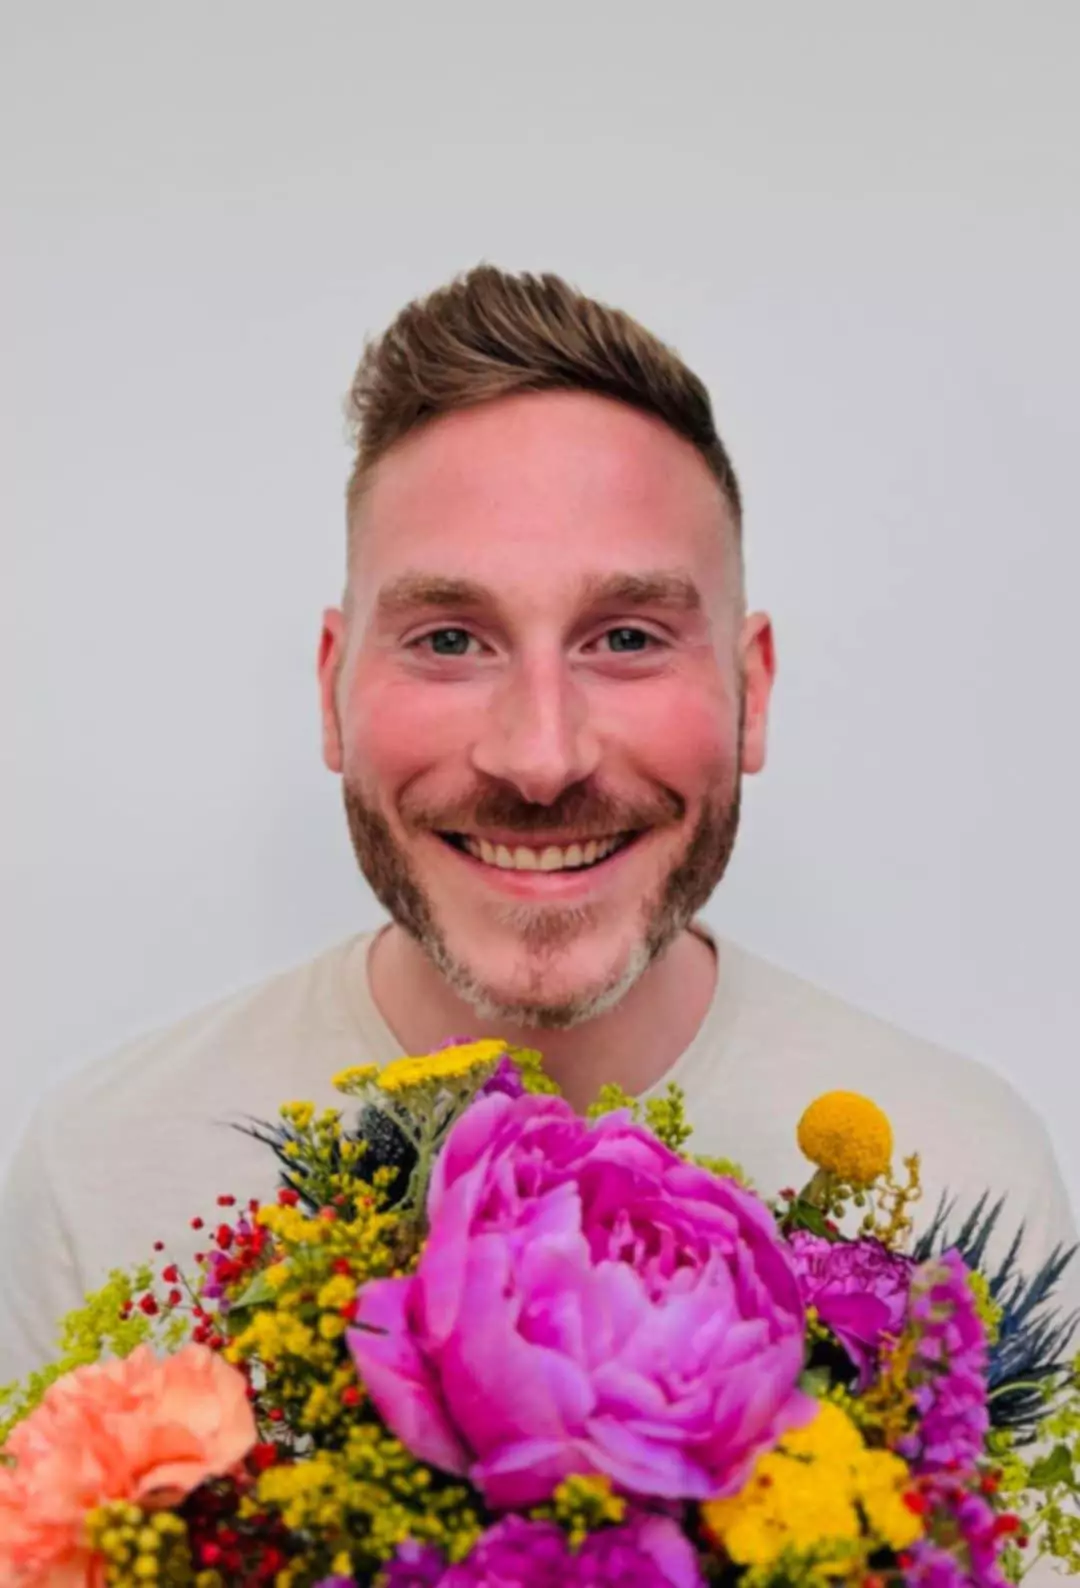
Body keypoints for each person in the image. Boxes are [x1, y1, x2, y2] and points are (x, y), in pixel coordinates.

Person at [0, 266, 1075, 1388]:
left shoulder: (965, 1174)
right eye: (450, 639)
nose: (542, 757)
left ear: (752, 691)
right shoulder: (105, 1173)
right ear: (331, 692)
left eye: (627, 638)